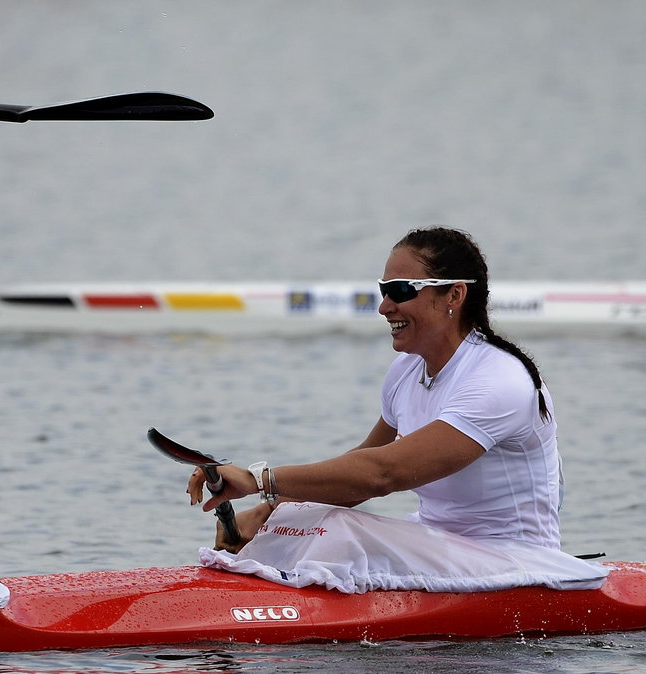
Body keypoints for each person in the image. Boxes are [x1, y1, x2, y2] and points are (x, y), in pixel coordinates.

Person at [189, 227, 566, 553]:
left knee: (339, 531)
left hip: (517, 561)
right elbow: (359, 474)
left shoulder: (498, 381)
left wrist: (259, 481)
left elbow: (382, 474)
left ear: (454, 295)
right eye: (384, 289)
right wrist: (268, 513)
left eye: (401, 290)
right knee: (303, 518)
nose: (385, 306)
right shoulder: (406, 371)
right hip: (441, 548)